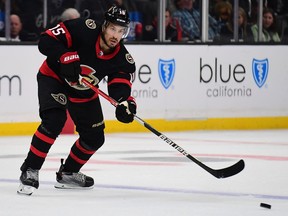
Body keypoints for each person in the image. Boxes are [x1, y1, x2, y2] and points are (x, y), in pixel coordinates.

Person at [17, 5, 137, 195]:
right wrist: (64, 55)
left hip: (83, 90)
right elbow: (46, 40)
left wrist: (125, 103)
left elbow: (119, 87)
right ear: (104, 26)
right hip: (54, 78)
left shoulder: (123, 59)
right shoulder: (83, 28)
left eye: (121, 31)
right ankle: (30, 169)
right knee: (54, 120)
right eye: (113, 28)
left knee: (95, 137)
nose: (116, 35)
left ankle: (69, 173)